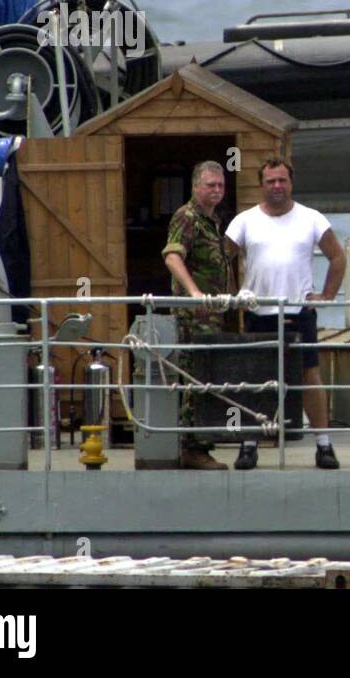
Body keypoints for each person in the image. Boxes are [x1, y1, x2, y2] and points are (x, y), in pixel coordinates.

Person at [226, 156, 347, 469]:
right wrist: (232, 295)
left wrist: (327, 296)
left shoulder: (312, 218)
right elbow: (219, 259)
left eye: (282, 180)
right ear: (261, 184)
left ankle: (324, 445)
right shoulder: (244, 220)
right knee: (255, 378)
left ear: (291, 183)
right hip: (257, 311)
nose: (277, 186)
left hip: (299, 311)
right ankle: (249, 444)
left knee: (309, 376)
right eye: (271, 181)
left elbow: (337, 257)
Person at [162, 160, 233, 470]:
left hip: (213, 314)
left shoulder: (212, 220)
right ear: (195, 187)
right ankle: (192, 448)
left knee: (208, 375)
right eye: (210, 185)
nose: (216, 190)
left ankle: (200, 443)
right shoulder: (187, 217)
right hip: (194, 316)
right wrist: (193, 292)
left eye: (220, 185)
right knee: (195, 377)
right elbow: (173, 256)